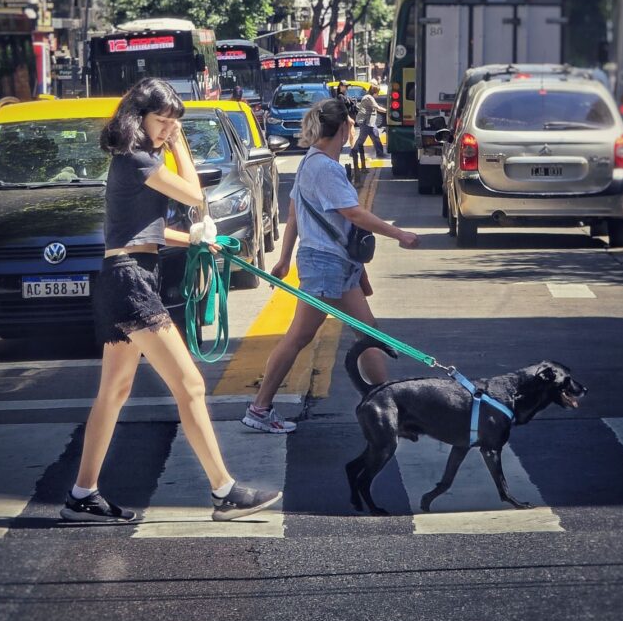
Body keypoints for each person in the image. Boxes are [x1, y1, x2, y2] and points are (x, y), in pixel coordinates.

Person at [61, 78, 281, 523]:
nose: (166, 129)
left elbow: (142, 233)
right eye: (162, 121)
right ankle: (224, 490)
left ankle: (83, 494)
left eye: (172, 123)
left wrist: (197, 242)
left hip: (122, 276)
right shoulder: (139, 159)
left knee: (115, 391)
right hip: (130, 282)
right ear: (137, 117)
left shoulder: (134, 160)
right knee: (191, 386)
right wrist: (181, 143)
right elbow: (194, 194)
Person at [242, 97, 419, 433]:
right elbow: (352, 213)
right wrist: (398, 233)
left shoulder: (311, 162)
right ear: (344, 128)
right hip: (326, 264)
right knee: (301, 336)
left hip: (330, 262)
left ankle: (390, 405)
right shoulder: (326, 168)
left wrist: (283, 260)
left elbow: (295, 214)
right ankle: (259, 408)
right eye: (351, 124)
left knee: (367, 333)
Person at [353, 82, 386, 160]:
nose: (378, 95)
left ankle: (380, 153)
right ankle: (354, 151)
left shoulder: (369, 97)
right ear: (374, 92)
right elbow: (377, 107)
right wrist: (388, 111)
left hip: (369, 122)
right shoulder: (369, 97)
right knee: (362, 138)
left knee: (375, 136)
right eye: (377, 93)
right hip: (365, 121)